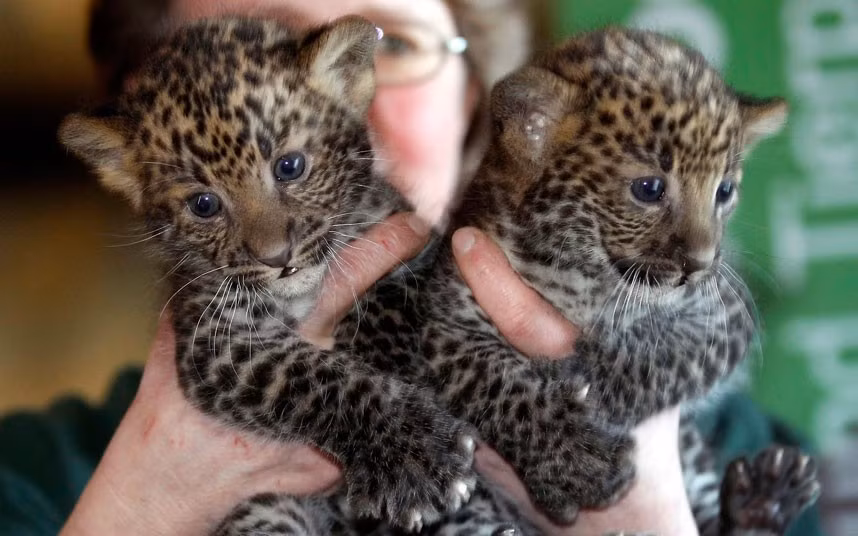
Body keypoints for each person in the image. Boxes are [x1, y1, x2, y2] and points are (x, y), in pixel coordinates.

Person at [0, 1, 820, 535]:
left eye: (388, 47)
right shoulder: (35, 477)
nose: (343, 115)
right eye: (256, 49)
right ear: (148, 118)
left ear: (480, 95)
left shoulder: (734, 441)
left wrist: (644, 517)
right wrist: (147, 501)